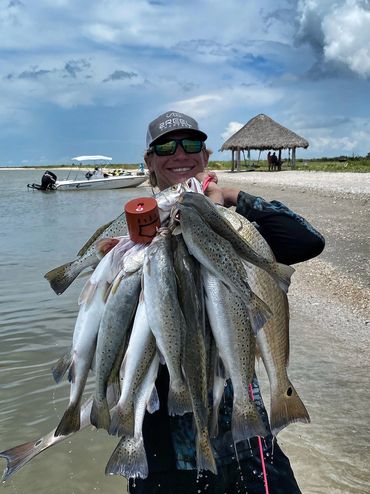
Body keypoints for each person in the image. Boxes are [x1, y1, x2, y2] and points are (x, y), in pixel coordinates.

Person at [132, 110, 325, 494]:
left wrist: (234, 198)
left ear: (205, 157)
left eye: (192, 144)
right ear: (150, 161)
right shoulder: (138, 236)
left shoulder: (237, 224)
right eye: (166, 146)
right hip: (167, 437)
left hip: (242, 427)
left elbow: (309, 241)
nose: (180, 153)